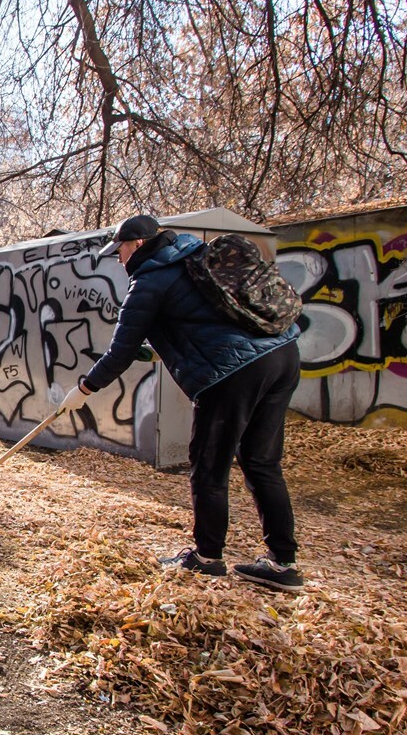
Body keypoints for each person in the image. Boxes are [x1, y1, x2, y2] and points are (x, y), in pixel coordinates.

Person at [55, 214, 305, 592]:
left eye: (119, 251)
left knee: (209, 468)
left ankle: (206, 558)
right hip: (282, 356)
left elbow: (118, 353)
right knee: (261, 462)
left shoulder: (149, 281)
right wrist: (161, 349)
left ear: (137, 244)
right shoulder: (195, 257)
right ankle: (283, 564)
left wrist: (84, 390)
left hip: (231, 376)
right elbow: (208, 320)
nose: (118, 260)